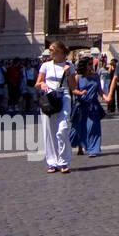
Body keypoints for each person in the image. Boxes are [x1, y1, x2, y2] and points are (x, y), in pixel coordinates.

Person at [35, 42, 79, 173]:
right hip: (49, 99)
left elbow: (73, 87)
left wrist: (68, 74)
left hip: (64, 96)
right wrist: (42, 85)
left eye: (52, 49)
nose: (50, 52)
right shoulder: (45, 66)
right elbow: (38, 83)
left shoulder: (69, 66)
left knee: (62, 129)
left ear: (60, 51)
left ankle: (64, 162)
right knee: (49, 131)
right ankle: (52, 162)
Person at [70, 54, 103, 157]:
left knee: (93, 127)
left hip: (93, 105)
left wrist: (106, 97)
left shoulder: (96, 76)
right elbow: (73, 90)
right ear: (84, 65)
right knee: (79, 127)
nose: (91, 66)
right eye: (89, 64)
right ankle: (80, 146)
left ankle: (93, 150)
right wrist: (80, 93)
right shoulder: (77, 77)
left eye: (92, 64)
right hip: (81, 105)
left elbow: (100, 91)